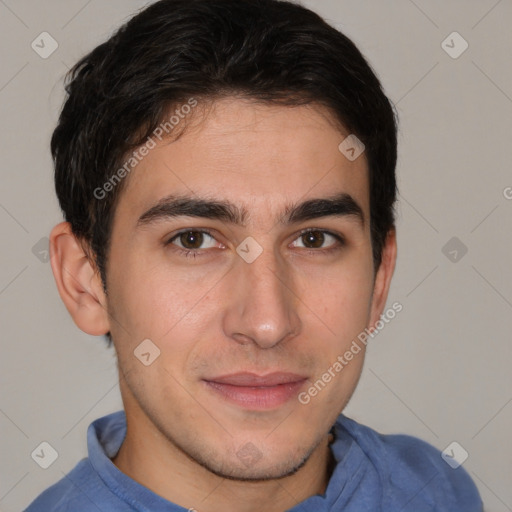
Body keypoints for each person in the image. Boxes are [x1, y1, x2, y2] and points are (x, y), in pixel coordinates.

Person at [25, 0, 483, 510]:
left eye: (314, 239)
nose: (267, 323)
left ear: (379, 279)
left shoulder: (436, 491)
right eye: (193, 240)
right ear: (86, 281)